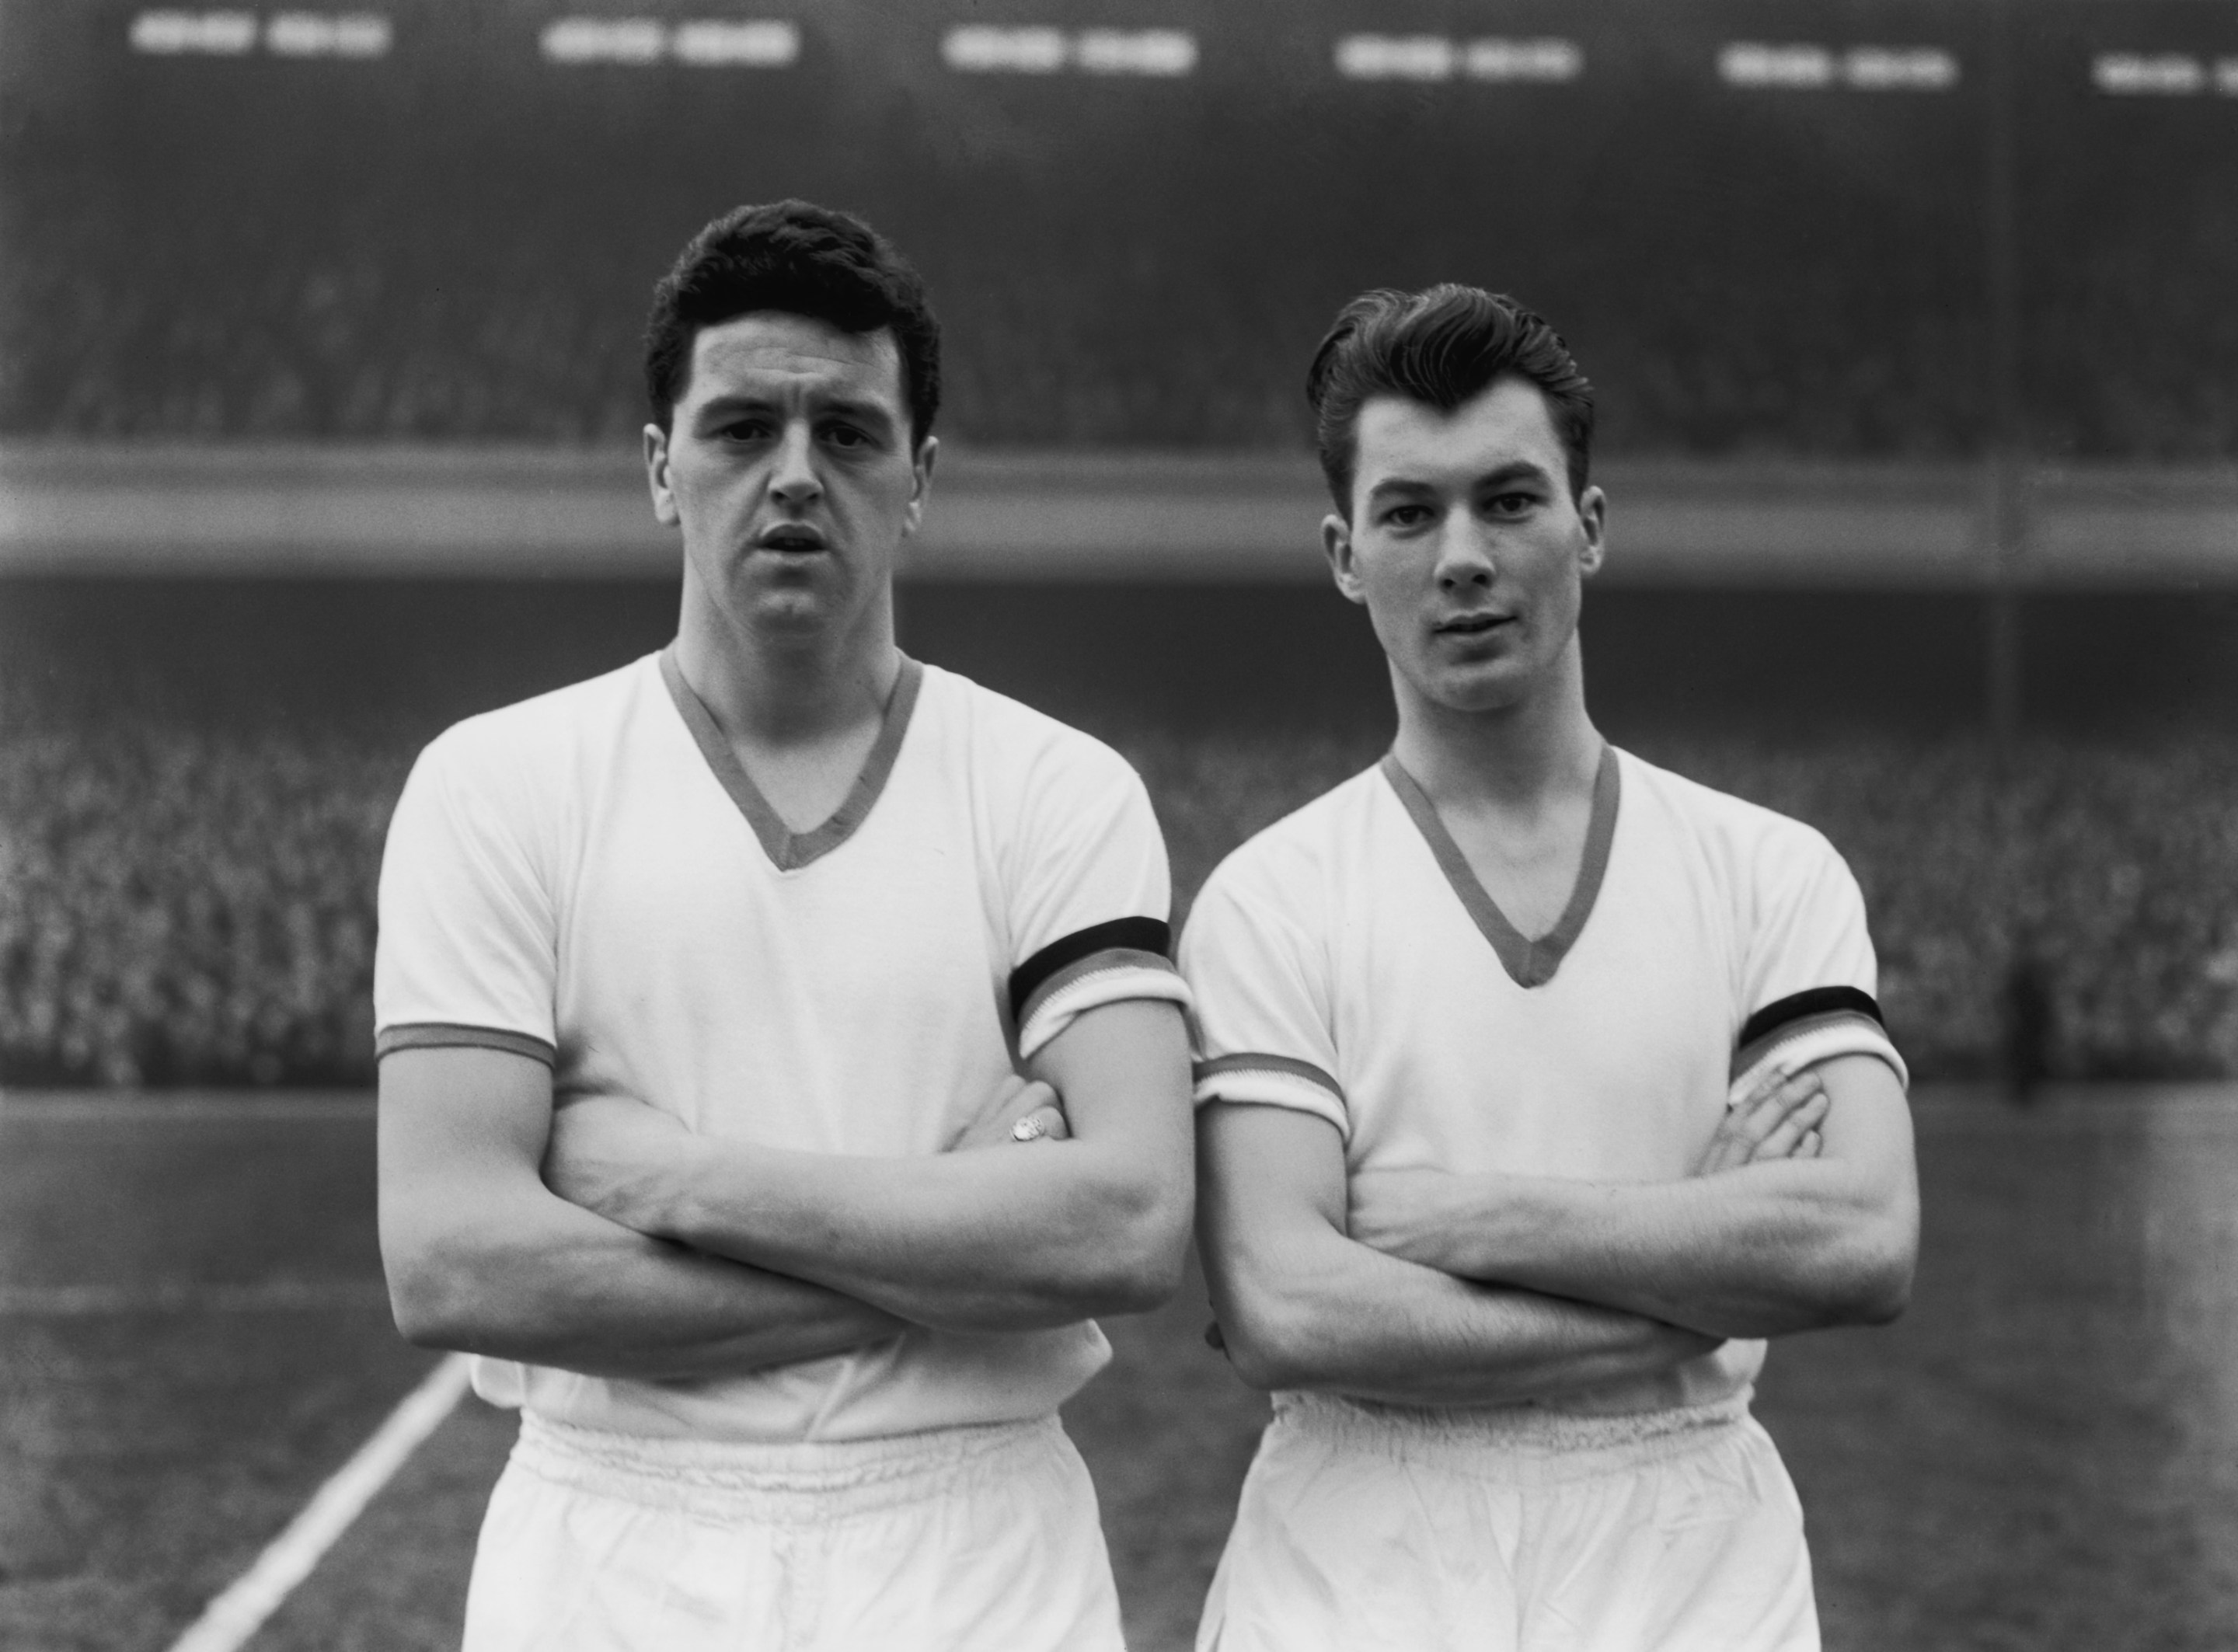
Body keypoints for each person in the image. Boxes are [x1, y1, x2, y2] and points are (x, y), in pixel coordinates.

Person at [373, 200, 1194, 1651]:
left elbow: (1129, 1222)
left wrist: (674, 1178)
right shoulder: (496, 782)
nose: (796, 476)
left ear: (920, 476)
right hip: (614, 1543)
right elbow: (454, 1258)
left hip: (976, 1547)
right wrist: (958, 1249)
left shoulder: (1060, 790)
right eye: (743, 427)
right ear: (660, 465)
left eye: (851, 434)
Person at [1182, 284, 1919, 1651]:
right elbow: (1287, 1305)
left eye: (1509, 501)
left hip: (1689, 1538)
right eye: (1410, 513)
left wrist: (1461, 1219)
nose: (1463, 554)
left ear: (1588, 529)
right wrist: (1687, 1267)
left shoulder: (1771, 871)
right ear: (1346, 554)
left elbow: (1863, 1240)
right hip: (1362, 1542)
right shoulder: (1268, 901)